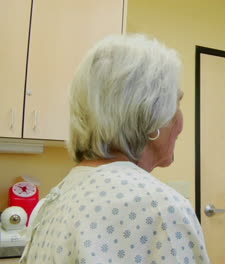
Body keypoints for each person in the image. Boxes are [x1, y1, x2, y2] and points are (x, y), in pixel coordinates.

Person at [20, 34, 210, 264]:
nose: (180, 122)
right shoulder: (160, 209)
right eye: (176, 104)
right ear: (150, 115)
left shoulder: (51, 203)